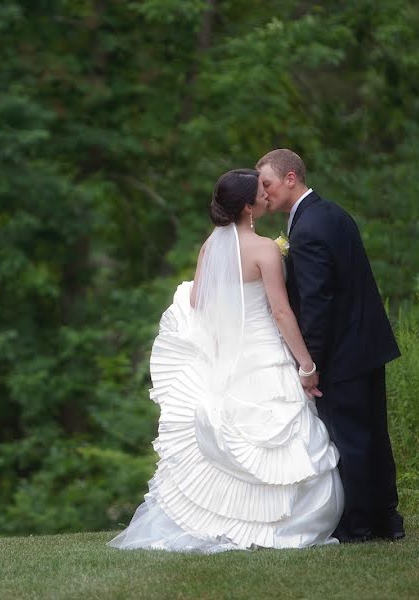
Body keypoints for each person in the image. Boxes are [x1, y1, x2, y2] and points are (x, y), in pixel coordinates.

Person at [108, 169, 344, 553]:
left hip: (233, 356)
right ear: (248, 207)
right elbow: (282, 313)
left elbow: (199, 301)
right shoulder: (265, 248)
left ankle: (225, 519)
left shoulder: (210, 246)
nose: (267, 197)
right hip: (266, 350)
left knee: (238, 437)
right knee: (283, 439)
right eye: (261, 194)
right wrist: (306, 365)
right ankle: (279, 525)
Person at [256, 149, 404, 543]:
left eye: (267, 183)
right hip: (368, 344)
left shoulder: (306, 230)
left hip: (342, 352)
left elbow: (318, 303)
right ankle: (388, 519)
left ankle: (358, 525)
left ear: (291, 178)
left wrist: (311, 364)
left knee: (350, 439)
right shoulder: (332, 213)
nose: (263, 193)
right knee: (374, 434)